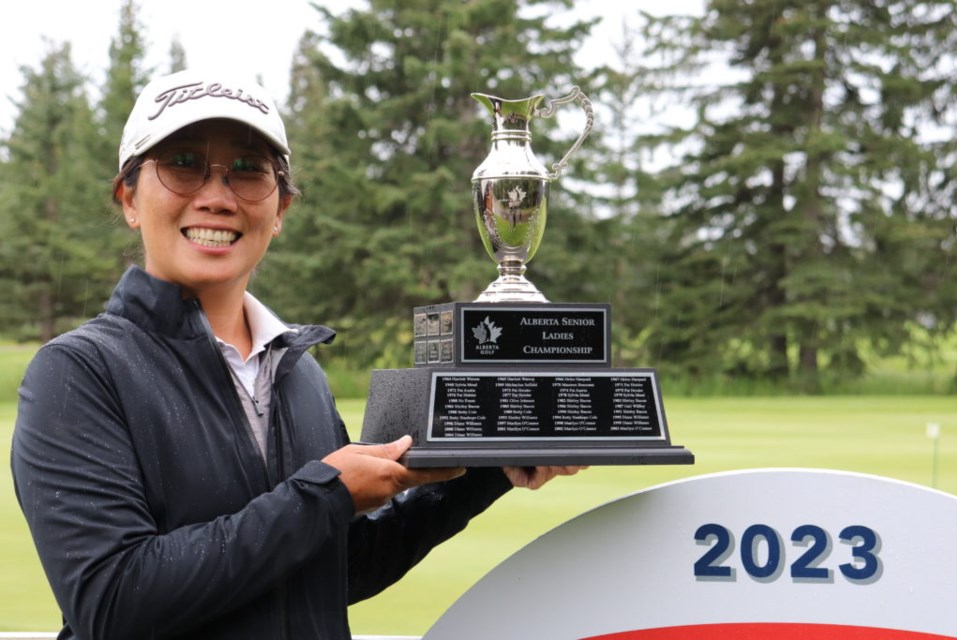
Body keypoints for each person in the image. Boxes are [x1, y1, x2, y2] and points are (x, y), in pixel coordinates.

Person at [11, 68, 583, 640]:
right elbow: (113, 601)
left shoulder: (296, 370)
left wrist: (486, 469)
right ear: (129, 197)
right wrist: (326, 493)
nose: (216, 196)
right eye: (183, 163)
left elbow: (333, 568)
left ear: (280, 208)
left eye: (247, 171)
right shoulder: (77, 374)